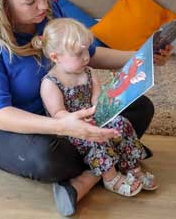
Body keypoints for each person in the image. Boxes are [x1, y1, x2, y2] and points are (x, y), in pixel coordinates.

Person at [0, 0, 171, 216]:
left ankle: (88, 177)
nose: (44, 5)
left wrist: (143, 57)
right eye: (30, 1)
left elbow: (88, 54)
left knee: (140, 107)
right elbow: (1, 115)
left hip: (63, 112)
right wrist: (64, 127)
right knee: (46, 159)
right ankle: (110, 158)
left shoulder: (46, 16)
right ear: (2, 4)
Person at [33, 18, 159, 198]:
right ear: (55, 57)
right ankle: (110, 177)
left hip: (94, 118)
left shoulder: (88, 72)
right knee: (95, 139)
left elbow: (96, 98)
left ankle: (131, 166)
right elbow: (58, 114)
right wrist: (82, 121)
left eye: (86, 49)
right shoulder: (50, 83)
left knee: (122, 124)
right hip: (72, 128)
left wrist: (104, 106)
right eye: (78, 53)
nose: (86, 56)